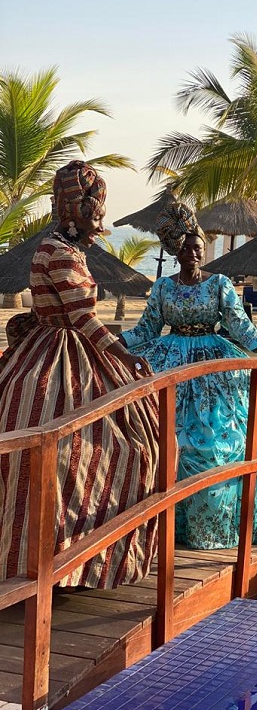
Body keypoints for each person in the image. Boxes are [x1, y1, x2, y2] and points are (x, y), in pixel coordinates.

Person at [0, 161, 159, 589]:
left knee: (118, 446)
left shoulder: (61, 247)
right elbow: (82, 319)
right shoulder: (57, 251)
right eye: (93, 206)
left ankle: (69, 564)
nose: (99, 215)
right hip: (60, 359)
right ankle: (53, 565)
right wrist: (125, 357)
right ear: (73, 207)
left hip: (58, 354)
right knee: (86, 451)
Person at [120, 201, 257, 549]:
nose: (193, 253)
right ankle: (169, 526)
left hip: (216, 365)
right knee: (171, 442)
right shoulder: (163, 288)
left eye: (198, 248)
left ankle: (223, 525)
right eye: (186, 248)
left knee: (223, 442)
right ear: (176, 252)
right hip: (171, 362)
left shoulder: (219, 284)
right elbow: (148, 329)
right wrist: (113, 343)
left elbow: (238, 323)